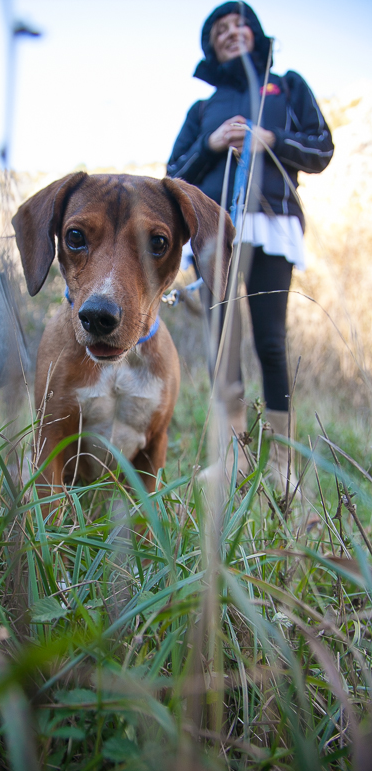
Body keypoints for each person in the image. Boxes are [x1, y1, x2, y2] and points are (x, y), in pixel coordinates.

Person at [167, 1, 333, 488]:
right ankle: (234, 455)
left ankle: (281, 463)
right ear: (211, 45)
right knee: (222, 340)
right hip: (216, 228)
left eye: (238, 24)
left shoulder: (288, 87)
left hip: (274, 224)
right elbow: (173, 173)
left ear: (254, 32)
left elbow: (321, 148)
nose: (230, 32)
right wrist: (211, 144)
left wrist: (271, 138)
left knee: (271, 341)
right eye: (219, 29)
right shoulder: (203, 110)